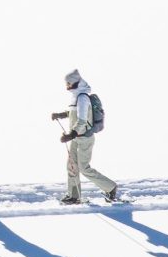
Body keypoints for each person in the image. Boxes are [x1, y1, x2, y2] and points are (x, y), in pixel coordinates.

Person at [49, 68, 121, 204]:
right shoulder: (76, 96)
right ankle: (74, 196)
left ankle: (110, 188)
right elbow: (72, 113)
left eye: (68, 83)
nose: (67, 86)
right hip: (76, 137)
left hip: (84, 138)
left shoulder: (82, 97)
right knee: (71, 165)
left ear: (75, 83)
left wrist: (71, 134)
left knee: (84, 168)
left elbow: (82, 120)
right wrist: (60, 115)